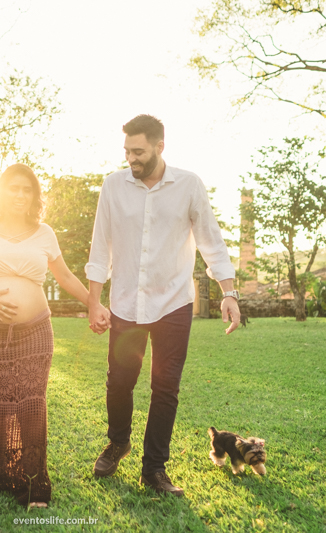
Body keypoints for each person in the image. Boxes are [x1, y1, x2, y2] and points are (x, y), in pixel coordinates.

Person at [85, 114, 241, 497]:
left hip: (174, 302)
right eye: (127, 152)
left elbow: (211, 243)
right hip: (124, 302)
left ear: (160, 147)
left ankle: (154, 468)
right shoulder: (112, 186)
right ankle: (118, 441)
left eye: (138, 151)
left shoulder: (189, 185)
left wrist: (229, 292)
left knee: (165, 387)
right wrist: (93, 302)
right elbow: (99, 246)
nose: (131, 159)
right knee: (120, 381)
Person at [0, 163, 100, 508]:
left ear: (35, 196)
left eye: (27, 190)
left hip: (35, 332)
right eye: (13, 188)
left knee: (31, 405)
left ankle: (35, 483)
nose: (20, 195)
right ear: (0, 192)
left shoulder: (44, 233)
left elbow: (64, 276)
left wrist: (95, 305)